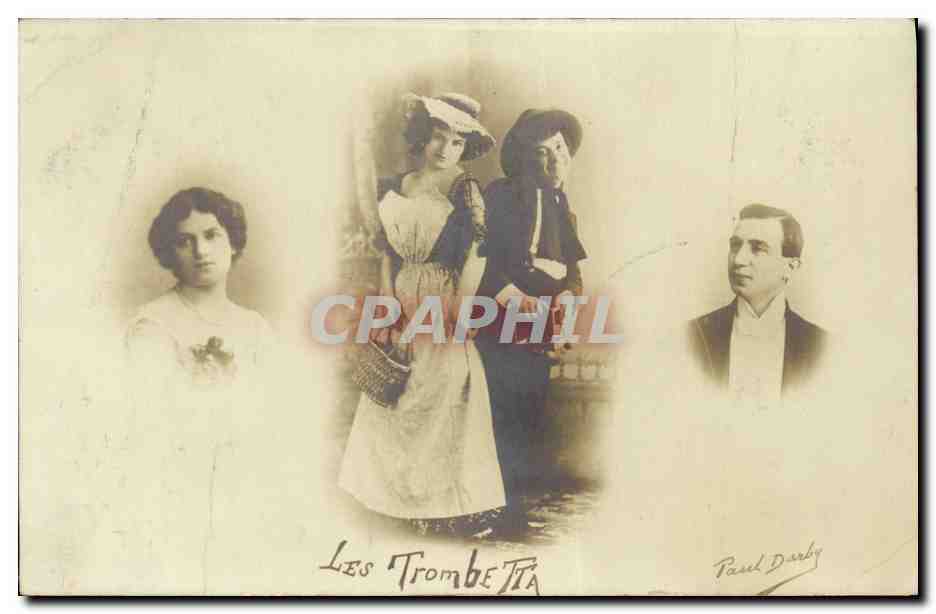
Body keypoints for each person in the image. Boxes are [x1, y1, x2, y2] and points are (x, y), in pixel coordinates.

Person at [338, 92, 505, 535]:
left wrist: (458, 311)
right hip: (402, 291)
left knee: (439, 393)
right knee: (394, 394)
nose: (445, 149)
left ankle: (444, 507)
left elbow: (478, 255)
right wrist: (388, 304)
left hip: (442, 297)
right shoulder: (398, 184)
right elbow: (387, 253)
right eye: (438, 137)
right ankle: (395, 501)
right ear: (422, 137)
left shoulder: (464, 190)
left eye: (456, 142)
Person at [475, 108, 588, 534]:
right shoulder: (501, 196)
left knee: (531, 412)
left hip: (542, 327)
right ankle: (495, 509)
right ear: (523, 156)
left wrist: (568, 299)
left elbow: (572, 271)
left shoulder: (562, 205)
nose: (555, 160)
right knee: (501, 413)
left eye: (560, 149)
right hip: (500, 321)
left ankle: (516, 510)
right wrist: (516, 299)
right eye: (543, 152)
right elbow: (482, 262)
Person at [126, 187, 273, 386]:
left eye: (211, 235)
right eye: (184, 242)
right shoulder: (153, 325)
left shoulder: (255, 327)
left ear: (233, 243)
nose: (201, 251)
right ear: (170, 253)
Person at [688, 203, 826, 404]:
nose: (739, 260)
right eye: (735, 246)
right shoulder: (693, 336)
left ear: (791, 267)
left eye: (758, 248)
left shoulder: (821, 347)